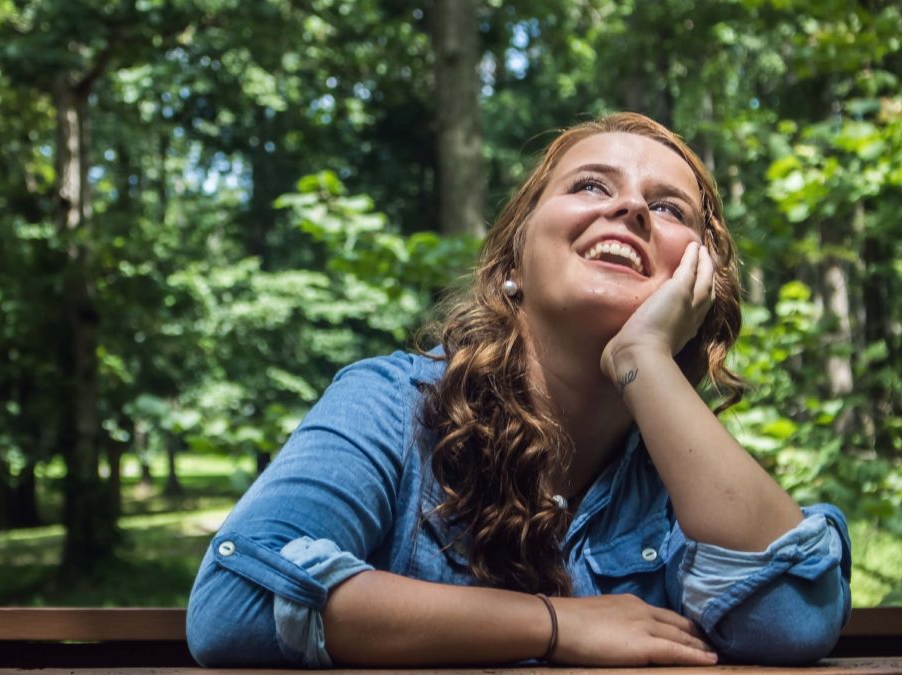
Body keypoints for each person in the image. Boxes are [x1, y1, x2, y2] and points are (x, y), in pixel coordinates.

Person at [185, 112, 851, 667]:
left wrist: (643, 358)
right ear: (514, 260)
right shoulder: (391, 403)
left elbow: (791, 620)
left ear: (699, 281)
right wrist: (553, 624)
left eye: (666, 207)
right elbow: (234, 603)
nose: (629, 208)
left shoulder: (686, 481)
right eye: (590, 186)